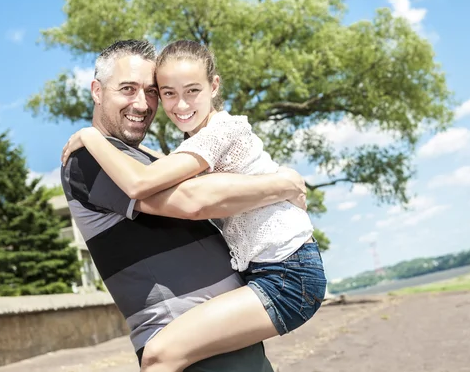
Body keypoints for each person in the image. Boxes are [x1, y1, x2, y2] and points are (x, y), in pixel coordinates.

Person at [62, 40, 328, 372]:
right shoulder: (91, 160)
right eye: (128, 89)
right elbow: (194, 199)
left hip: (234, 323)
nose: (143, 103)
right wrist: (281, 184)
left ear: (213, 86)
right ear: (97, 91)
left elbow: (197, 186)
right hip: (193, 339)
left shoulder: (149, 156)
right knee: (159, 356)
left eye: (151, 92)